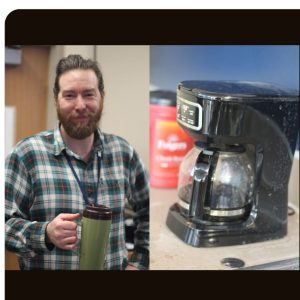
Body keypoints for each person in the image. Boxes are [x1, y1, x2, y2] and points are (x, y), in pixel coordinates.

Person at [5, 54, 149, 270]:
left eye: (89, 94)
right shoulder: (26, 154)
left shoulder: (124, 152)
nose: (80, 105)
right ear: (57, 99)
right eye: (70, 95)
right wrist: (45, 233)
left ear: (102, 96)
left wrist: (140, 262)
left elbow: (148, 212)